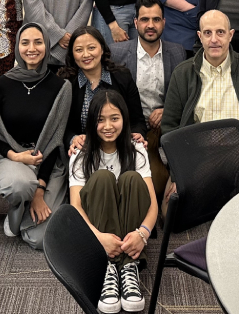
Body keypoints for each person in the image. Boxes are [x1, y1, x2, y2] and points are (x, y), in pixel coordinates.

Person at [69, 90, 157, 314]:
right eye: (100, 119)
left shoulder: (137, 150)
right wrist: (99, 239)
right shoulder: (80, 155)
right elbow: (76, 208)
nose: (108, 126)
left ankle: (129, 265)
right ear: (91, 122)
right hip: (97, 232)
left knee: (131, 179)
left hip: (131, 228)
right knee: (102, 177)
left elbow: (152, 203)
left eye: (114, 118)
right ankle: (108, 266)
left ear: (124, 119)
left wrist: (142, 234)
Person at [0, 23, 72, 250]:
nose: (31, 48)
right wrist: (14, 156)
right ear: (17, 47)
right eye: (25, 43)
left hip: (49, 164)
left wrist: (40, 190)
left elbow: (55, 140)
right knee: (19, 186)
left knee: (39, 239)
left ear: (47, 45)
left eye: (38, 42)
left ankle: (29, 202)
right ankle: (17, 206)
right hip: (9, 159)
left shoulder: (61, 87)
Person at [161, 10, 239, 164]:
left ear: (230, 35)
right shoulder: (182, 74)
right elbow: (169, 127)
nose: (214, 39)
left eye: (220, 32)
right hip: (198, 156)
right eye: (207, 33)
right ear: (200, 36)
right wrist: (181, 166)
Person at [109, 0, 187, 199]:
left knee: (158, 186)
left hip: (163, 127)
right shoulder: (117, 52)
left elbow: (183, 95)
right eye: (144, 19)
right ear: (135, 22)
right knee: (133, 185)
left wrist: (167, 110)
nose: (150, 25)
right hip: (130, 127)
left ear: (164, 22)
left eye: (156, 19)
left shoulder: (177, 53)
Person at [59, 27, 147, 155]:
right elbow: (61, 127)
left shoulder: (122, 77)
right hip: (83, 152)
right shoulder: (66, 83)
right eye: (79, 50)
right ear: (72, 54)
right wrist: (73, 139)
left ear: (101, 49)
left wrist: (138, 134)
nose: (86, 55)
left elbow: (137, 121)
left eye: (91, 48)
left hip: (119, 149)